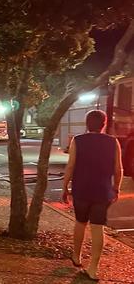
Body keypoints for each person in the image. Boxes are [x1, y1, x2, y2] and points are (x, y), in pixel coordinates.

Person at [62, 110, 123, 281]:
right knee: (98, 228)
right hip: (103, 191)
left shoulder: (78, 140)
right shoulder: (113, 142)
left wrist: (65, 186)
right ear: (104, 123)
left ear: (87, 123)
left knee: (80, 223)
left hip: (81, 189)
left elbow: (71, 166)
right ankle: (93, 269)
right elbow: (119, 169)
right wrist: (116, 189)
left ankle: (76, 256)